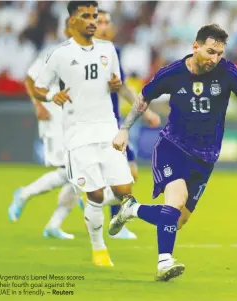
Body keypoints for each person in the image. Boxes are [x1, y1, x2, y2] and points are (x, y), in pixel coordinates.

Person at [109, 24, 237, 281]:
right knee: (175, 201)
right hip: (172, 146)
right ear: (195, 46)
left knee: (176, 221)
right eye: (210, 51)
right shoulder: (172, 73)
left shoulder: (229, 72)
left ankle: (132, 209)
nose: (215, 58)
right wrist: (125, 129)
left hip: (206, 157)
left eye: (220, 53)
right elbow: (143, 98)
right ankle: (164, 262)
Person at [34, 1, 134, 267]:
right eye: (86, 16)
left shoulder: (108, 50)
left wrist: (116, 85)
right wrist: (51, 95)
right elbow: (38, 87)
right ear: (72, 22)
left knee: (125, 189)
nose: (92, 21)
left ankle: (90, 201)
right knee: (97, 195)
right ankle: (98, 247)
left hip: (107, 127)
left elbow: (115, 83)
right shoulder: (60, 54)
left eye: (95, 16)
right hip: (78, 132)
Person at [8, 18, 83, 240]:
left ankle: (53, 223)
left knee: (79, 171)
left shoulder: (89, 56)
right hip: (54, 117)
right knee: (71, 171)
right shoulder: (54, 53)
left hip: (75, 120)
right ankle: (24, 194)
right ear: (68, 29)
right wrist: (38, 105)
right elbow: (30, 80)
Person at [94, 9, 161, 240]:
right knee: (118, 175)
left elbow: (122, 87)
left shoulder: (112, 52)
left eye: (107, 22)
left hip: (113, 123)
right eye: (99, 21)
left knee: (129, 174)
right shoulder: (78, 55)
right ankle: (114, 220)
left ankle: (97, 204)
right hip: (91, 125)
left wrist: (147, 110)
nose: (104, 26)